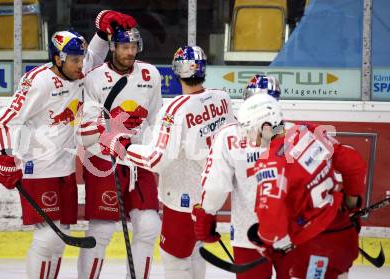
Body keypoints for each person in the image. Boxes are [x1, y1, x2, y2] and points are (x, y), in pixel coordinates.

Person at [0, 10, 137, 279]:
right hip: (39, 170)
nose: (81, 64)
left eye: (81, 58)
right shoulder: (39, 81)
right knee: (48, 238)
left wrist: (101, 31)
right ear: (58, 59)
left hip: (64, 169)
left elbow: (95, 53)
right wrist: (6, 157)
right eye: (74, 59)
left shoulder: (78, 71)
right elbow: (4, 120)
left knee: (61, 239)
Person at [125, 45, 235, 279]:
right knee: (196, 251)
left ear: (176, 71)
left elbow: (156, 159)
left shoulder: (176, 108)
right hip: (209, 197)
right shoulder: (222, 98)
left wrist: (122, 148)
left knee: (175, 259)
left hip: (181, 200)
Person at [238, 94, 366, 279]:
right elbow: (354, 163)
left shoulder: (271, 163)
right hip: (344, 235)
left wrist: (266, 242)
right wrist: (352, 205)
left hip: (315, 248)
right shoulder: (308, 131)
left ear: (264, 127)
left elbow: (272, 218)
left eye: (249, 130)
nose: (250, 139)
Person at [77, 25, 163, 279]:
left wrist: (156, 146)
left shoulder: (150, 74)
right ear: (113, 47)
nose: (130, 52)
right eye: (125, 47)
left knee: (148, 226)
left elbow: (157, 116)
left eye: (134, 47)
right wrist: (112, 139)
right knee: (102, 229)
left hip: (138, 159)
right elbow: (88, 126)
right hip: (105, 160)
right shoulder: (93, 78)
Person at [191, 75, 283, 279]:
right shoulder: (295, 132)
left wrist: (207, 214)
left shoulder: (229, 135)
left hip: (248, 233)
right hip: (292, 232)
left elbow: (215, 185)